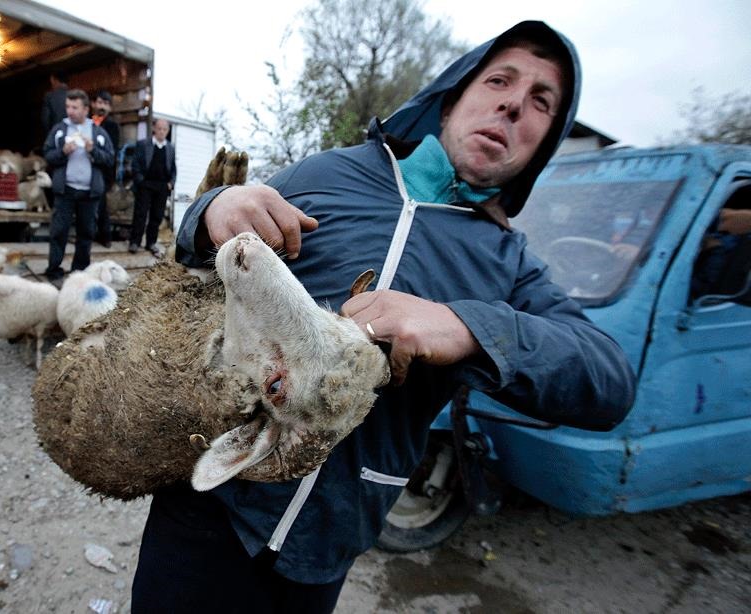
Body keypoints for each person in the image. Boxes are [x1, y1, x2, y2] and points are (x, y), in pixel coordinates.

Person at [132, 21, 637, 612]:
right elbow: (191, 250)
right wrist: (216, 207)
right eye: (499, 80)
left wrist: (469, 327)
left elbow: (610, 381)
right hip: (210, 499)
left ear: (544, 142)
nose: (512, 104)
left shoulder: (509, 262)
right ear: (453, 96)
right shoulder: (327, 174)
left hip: (326, 541)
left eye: (540, 102)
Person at [41, 89, 115, 284]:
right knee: (59, 232)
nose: (70, 111)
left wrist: (93, 150)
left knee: (86, 234)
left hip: (89, 193)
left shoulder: (98, 132)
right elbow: (47, 155)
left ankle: (79, 272)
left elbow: (110, 159)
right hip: (65, 190)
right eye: (68, 106)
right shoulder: (59, 129)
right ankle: (54, 270)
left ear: (85, 109)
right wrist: (63, 152)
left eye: (74, 107)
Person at [129, 117, 176, 256]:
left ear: (167, 131)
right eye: (159, 128)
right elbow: (135, 164)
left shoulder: (170, 148)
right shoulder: (143, 144)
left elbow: (173, 169)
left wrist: (171, 184)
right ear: (154, 129)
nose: (162, 132)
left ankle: (151, 243)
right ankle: (135, 242)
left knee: (157, 216)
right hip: (145, 185)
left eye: (164, 129)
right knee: (140, 214)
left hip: (162, 187)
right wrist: (140, 181)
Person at [91, 90, 121, 247]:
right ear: (94, 104)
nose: (102, 106)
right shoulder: (89, 123)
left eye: (106, 104)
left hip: (104, 171)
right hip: (88, 169)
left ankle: (105, 236)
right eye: (100, 102)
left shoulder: (111, 126)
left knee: (101, 204)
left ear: (110, 108)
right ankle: (92, 233)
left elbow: (112, 152)